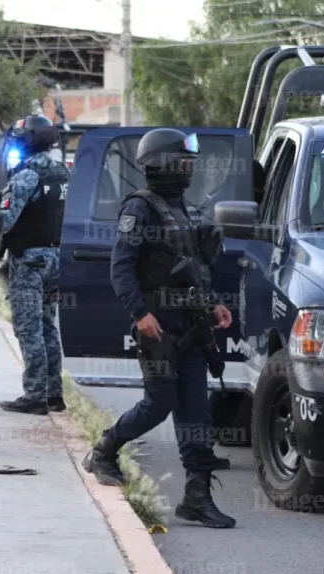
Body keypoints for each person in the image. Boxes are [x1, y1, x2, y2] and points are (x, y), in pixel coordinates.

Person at [83, 128, 236, 529]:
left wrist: (215, 304)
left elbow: (197, 269)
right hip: (158, 329)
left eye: (191, 162)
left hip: (191, 326)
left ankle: (197, 497)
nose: (189, 169)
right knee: (158, 405)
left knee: (196, 413)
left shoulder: (187, 209)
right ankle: (104, 449)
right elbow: (122, 268)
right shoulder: (140, 209)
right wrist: (139, 314)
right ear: (161, 164)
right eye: (183, 162)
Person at [0, 115, 69, 416]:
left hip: (30, 261)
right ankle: (54, 394)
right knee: (48, 326)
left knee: (29, 329)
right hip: (55, 258)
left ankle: (35, 395)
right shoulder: (62, 171)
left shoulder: (26, 175)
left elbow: (5, 221)